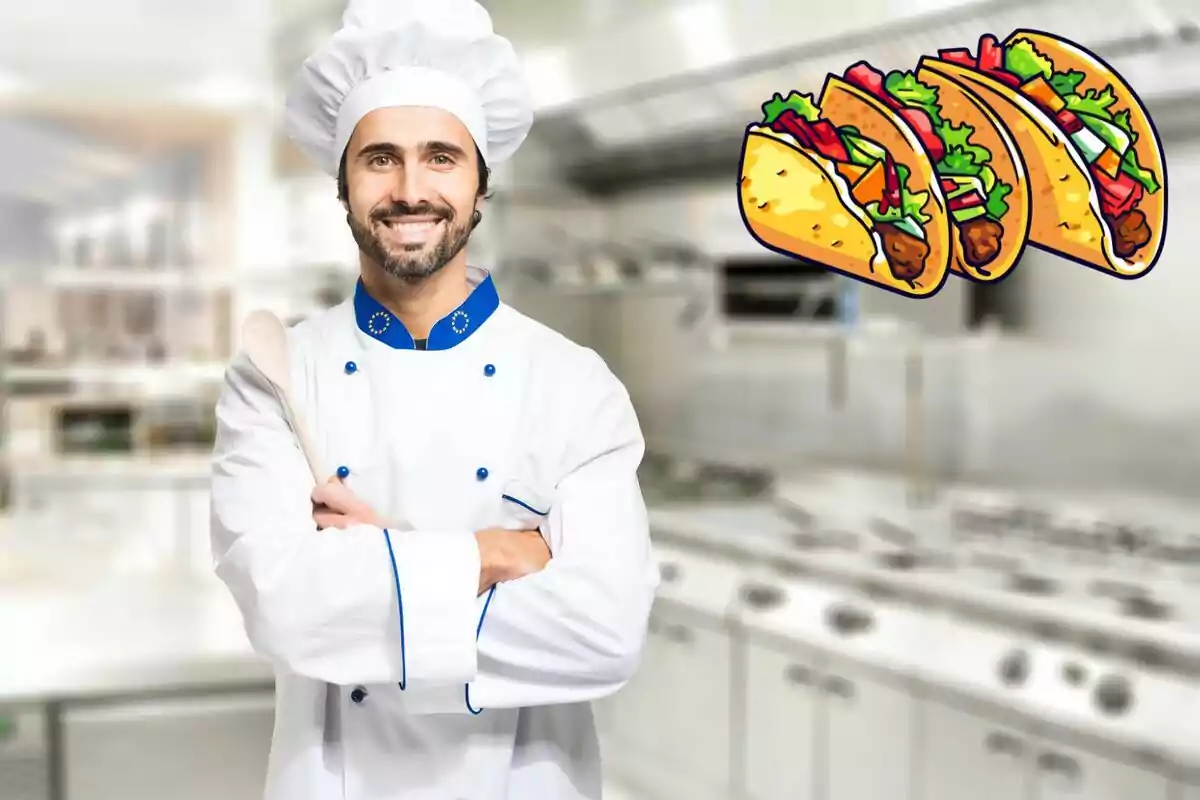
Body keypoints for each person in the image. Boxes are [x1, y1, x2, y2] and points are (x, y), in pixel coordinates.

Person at [208, 1, 660, 798]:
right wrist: (497, 554)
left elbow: (605, 632)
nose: (410, 190)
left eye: (441, 157)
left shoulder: (573, 383)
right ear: (342, 185)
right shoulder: (275, 372)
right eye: (379, 158)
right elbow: (283, 609)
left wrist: (378, 558)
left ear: (481, 183)